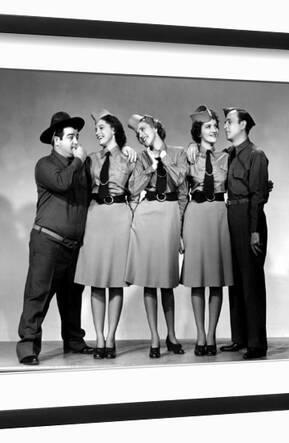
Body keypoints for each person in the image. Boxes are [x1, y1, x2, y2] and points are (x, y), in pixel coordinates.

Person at [16, 111, 94, 365]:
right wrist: (79, 162)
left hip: (73, 246)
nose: (76, 142)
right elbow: (62, 183)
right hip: (48, 242)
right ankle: (27, 346)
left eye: (77, 137)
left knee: (72, 296)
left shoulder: (80, 168)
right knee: (38, 294)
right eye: (71, 136)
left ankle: (73, 340)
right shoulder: (45, 165)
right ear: (56, 140)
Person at [125, 113, 189, 358]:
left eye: (143, 129)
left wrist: (181, 229)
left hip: (169, 214)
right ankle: (154, 337)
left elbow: (181, 186)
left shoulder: (178, 152)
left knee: (166, 281)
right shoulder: (140, 158)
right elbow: (133, 188)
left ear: (156, 127)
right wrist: (151, 166)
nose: (141, 134)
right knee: (150, 281)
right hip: (147, 215)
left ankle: (171, 335)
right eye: (138, 133)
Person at [74, 109, 135, 359]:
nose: (97, 132)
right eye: (96, 129)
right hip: (96, 215)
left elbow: (137, 189)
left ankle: (111, 338)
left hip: (120, 216)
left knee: (115, 281)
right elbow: (81, 187)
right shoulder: (90, 158)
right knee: (98, 282)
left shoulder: (129, 158)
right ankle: (98, 338)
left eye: (101, 127)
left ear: (114, 130)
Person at [180, 106, 233, 357]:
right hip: (196, 215)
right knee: (198, 278)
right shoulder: (189, 156)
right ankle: (200, 334)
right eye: (208, 126)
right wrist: (179, 229)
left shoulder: (226, 156)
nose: (213, 130)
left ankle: (212, 334)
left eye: (215, 126)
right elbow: (180, 193)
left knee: (216, 279)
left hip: (219, 216)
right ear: (198, 131)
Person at [219, 107, 270, 360]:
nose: (225, 126)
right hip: (232, 216)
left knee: (251, 282)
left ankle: (256, 344)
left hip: (249, 219)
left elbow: (258, 197)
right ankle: (239, 338)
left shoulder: (256, 154)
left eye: (229, 122)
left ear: (243, 125)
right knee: (236, 280)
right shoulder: (230, 155)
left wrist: (253, 231)